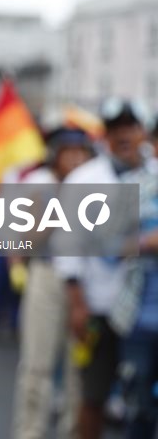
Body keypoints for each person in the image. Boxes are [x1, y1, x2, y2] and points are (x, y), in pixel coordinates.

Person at [55, 99, 158, 439]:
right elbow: (68, 247)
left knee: (140, 400)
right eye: (116, 129)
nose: (125, 135)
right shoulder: (85, 179)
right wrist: (78, 303)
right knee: (94, 397)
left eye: (131, 127)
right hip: (99, 306)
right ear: (106, 135)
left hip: (144, 312)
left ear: (142, 131)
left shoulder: (153, 173)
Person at [11, 126, 94, 439]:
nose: (74, 160)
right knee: (37, 366)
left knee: (79, 371)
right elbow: (25, 240)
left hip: (86, 285)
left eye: (80, 153)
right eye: (68, 153)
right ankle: (30, 432)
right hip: (47, 278)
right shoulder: (40, 186)